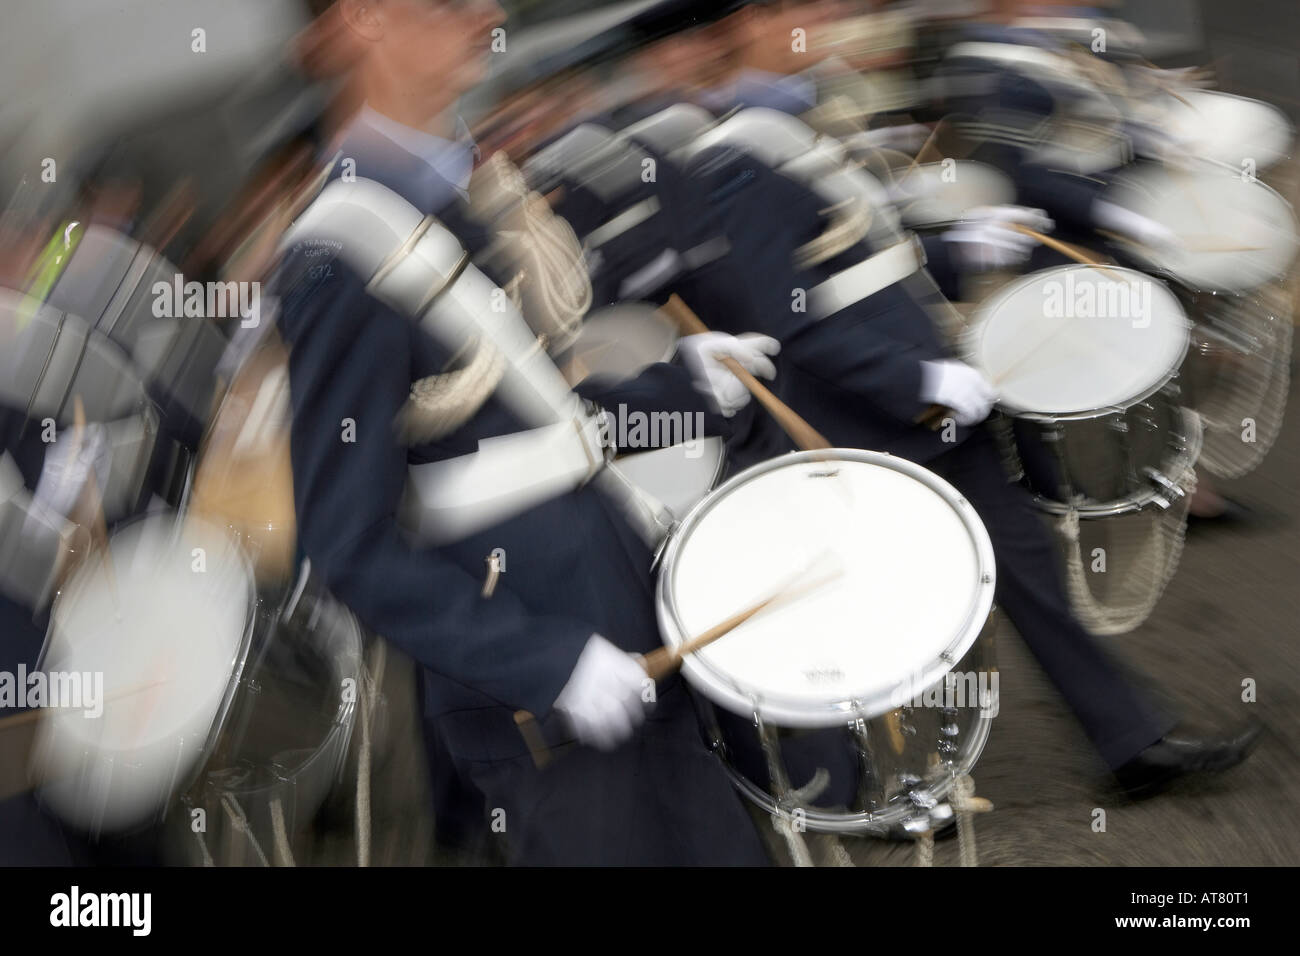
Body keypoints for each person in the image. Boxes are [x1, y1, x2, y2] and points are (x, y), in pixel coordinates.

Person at [516, 0, 1263, 800]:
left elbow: (865, 257)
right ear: (748, 27)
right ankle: (865, 787)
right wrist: (916, 384)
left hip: (929, 396)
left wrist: (956, 247)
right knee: (879, 609)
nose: (830, 16)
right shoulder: (736, 153)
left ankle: (1129, 739)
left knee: (1023, 567)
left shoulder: (799, 118)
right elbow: (787, 317)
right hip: (858, 415)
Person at [276, 0, 777, 865]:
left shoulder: (464, 197)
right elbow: (347, 544)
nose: (487, 13)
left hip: (625, 606)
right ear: (360, 20)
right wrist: (544, 663)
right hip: (535, 672)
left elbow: (544, 418)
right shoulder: (337, 253)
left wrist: (682, 386)